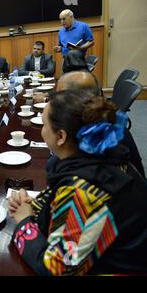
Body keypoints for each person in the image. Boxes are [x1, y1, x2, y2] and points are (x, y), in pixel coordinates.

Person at [9, 89, 147, 275]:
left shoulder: (84, 190)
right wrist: (34, 206)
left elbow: (58, 269)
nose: (42, 130)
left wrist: (23, 222)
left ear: (61, 137)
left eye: (44, 124)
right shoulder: (103, 155)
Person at [42, 71, 145, 179]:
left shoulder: (93, 138)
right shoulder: (103, 123)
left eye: (59, 96)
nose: (55, 101)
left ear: (76, 101)